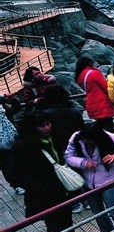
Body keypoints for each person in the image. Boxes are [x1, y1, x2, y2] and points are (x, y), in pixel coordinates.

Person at [8, 111, 95, 232]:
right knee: (54, 230)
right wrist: (36, 186)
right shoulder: (23, 147)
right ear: (33, 128)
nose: (47, 128)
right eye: (42, 125)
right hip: (44, 196)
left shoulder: (54, 139)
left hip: (61, 191)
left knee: (67, 224)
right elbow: (14, 174)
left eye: (48, 123)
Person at [40, 85, 86, 213]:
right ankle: (87, 199)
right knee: (82, 171)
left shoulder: (46, 114)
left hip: (59, 147)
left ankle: (75, 202)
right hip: (77, 146)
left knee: (65, 175)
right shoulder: (74, 111)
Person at [75, 57, 114, 133]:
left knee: (100, 127)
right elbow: (106, 87)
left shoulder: (79, 75)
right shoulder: (94, 73)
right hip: (102, 102)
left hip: (91, 102)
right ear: (89, 63)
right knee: (108, 127)